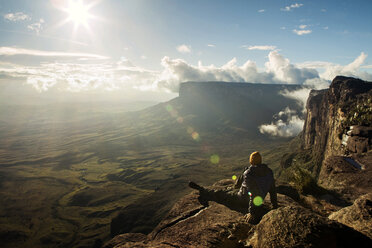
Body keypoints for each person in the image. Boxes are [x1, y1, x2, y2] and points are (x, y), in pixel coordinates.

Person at [189, 151, 277, 224]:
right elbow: (272, 189)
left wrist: (252, 213)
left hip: (242, 199)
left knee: (221, 193)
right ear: (260, 161)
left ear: (251, 161)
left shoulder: (249, 174)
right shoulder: (269, 172)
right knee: (239, 180)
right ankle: (234, 188)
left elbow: (253, 194)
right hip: (255, 199)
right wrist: (274, 205)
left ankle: (202, 190)